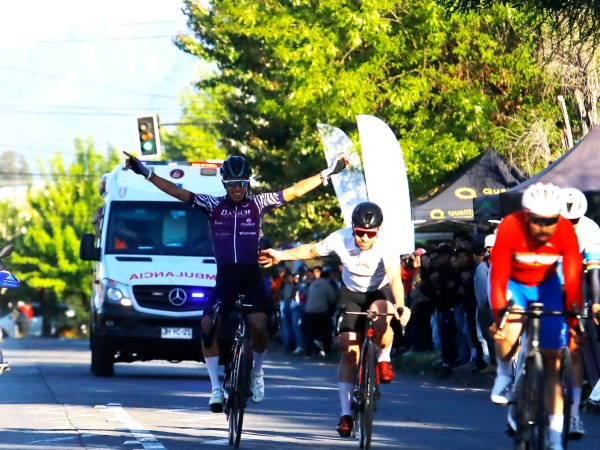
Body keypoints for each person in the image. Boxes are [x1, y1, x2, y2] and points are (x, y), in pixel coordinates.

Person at [123, 151, 348, 412]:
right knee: (207, 326)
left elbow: (294, 191)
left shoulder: (258, 203)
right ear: (224, 184)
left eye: (242, 183)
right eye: (232, 184)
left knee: (259, 325)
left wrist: (328, 173)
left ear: (248, 183)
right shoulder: (212, 205)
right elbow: (176, 191)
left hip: (251, 276)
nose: (238, 189)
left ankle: (257, 373)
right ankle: (215, 389)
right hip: (225, 279)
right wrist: (145, 172)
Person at [258, 201, 411, 437]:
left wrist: (401, 305)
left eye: (370, 234)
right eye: (360, 232)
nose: (364, 238)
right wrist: (280, 255)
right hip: (351, 293)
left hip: (379, 291)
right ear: (352, 228)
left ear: (378, 231)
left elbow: (394, 278)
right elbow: (310, 251)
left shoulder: (387, 244)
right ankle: (346, 414)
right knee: (348, 349)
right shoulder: (340, 238)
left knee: (382, 314)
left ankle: (383, 358)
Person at [489, 182, 583, 450]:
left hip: (546, 286)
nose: (543, 227)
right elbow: (498, 277)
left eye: (550, 221)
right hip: (514, 284)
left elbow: (573, 278)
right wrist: (499, 316)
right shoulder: (510, 226)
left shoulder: (565, 231)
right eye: (537, 220)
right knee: (509, 327)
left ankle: (554, 438)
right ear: (526, 215)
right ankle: (504, 375)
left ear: (559, 218)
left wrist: (574, 321)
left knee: (553, 361)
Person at [559, 187, 600, 438]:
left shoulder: (591, 230)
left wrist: (596, 303)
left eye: (574, 219)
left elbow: (594, 271)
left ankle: (590, 392)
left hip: (582, 286)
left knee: (585, 344)